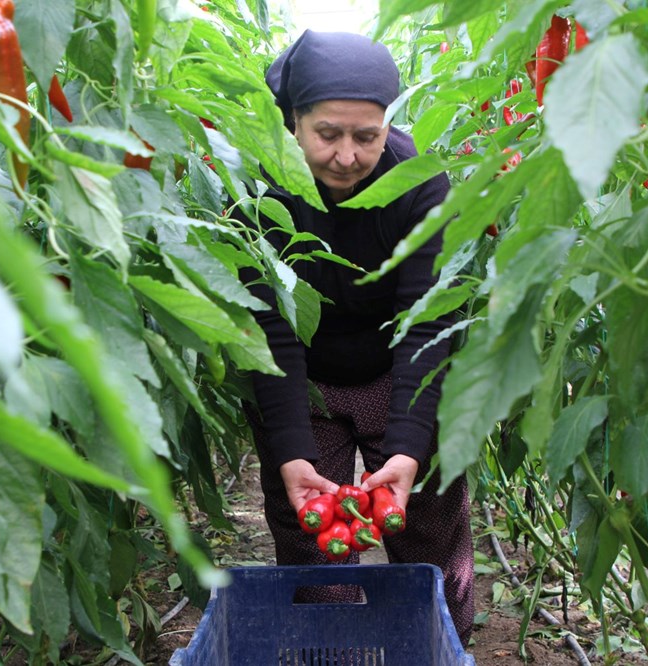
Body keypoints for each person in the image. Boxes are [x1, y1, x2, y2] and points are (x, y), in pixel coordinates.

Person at [237, 30, 474, 644]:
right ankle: (332, 647)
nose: (346, 156)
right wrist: (290, 446)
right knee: (311, 531)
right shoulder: (259, 186)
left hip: (396, 366)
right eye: (327, 134)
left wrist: (409, 444)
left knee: (428, 520)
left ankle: (438, 642)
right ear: (293, 122)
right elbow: (268, 323)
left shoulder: (419, 184)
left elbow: (426, 319)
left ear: (387, 127)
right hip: (304, 377)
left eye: (366, 137)